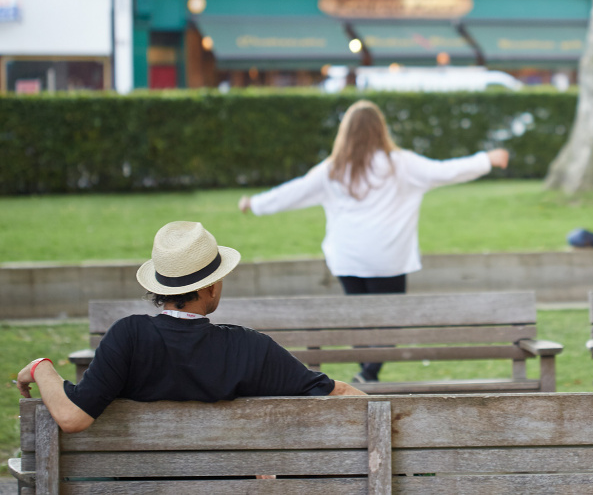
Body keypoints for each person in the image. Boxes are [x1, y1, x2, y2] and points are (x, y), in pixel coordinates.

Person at [239, 99, 510, 382]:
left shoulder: (333, 169)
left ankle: (366, 371)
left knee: (360, 316)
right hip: (388, 258)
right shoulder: (400, 164)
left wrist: (254, 203)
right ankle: (369, 372)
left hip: (348, 258)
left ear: (346, 133)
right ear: (381, 130)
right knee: (388, 320)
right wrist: (486, 160)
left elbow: (293, 192)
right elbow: (444, 170)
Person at [16, 221, 364, 434]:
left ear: (160, 287)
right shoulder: (251, 348)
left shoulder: (128, 337)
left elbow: (72, 418)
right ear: (212, 287)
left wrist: (41, 368)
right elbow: (341, 396)